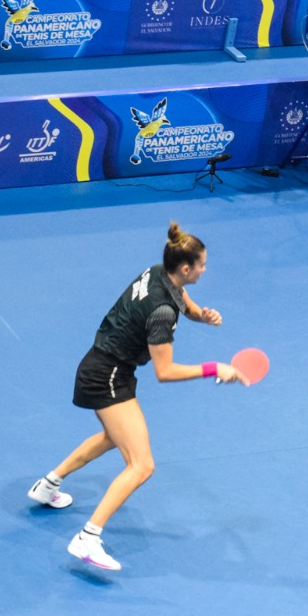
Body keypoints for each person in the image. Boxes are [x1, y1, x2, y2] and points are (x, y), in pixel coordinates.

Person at [26, 222, 247, 571]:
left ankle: (47, 485)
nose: (205, 269)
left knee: (113, 437)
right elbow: (165, 371)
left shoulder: (158, 271)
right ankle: (87, 538)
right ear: (185, 268)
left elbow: (183, 300)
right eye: (201, 265)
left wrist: (201, 317)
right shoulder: (162, 314)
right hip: (107, 377)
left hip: (103, 364)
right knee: (142, 465)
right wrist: (214, 368)